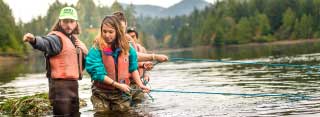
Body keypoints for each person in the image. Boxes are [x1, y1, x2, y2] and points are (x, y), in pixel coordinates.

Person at [22, 7, 87, 116]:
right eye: (65, 21)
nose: (68, 25)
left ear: (76, 23)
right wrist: (34, 40)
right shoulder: (55, 38)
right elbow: (45, 43)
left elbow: (81, 65)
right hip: (59, 89)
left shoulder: (75, 41)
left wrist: (85, 52)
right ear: (60, 22)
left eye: (71, 21)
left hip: (74, 87)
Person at [85, 15, 150, 113]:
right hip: (101, 93)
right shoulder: (95, 50)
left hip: (121, 94)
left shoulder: (128, 49)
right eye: (104, 31)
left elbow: (133, 68)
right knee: (102, 113)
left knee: (123, 113)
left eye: (110, 32)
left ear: (117, 32)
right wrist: (118, 85)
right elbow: (98, 74)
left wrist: (141, 85)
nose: (107, 35)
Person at [127, 27, 151, 104]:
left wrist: (146, 76)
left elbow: (147, 67)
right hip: (127, 83)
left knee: (140, 103)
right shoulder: (123, 49)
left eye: (133, 37)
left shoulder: (142, 49)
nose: (131, 39)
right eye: (129, 37)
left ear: (137, 38)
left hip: (138, 83)